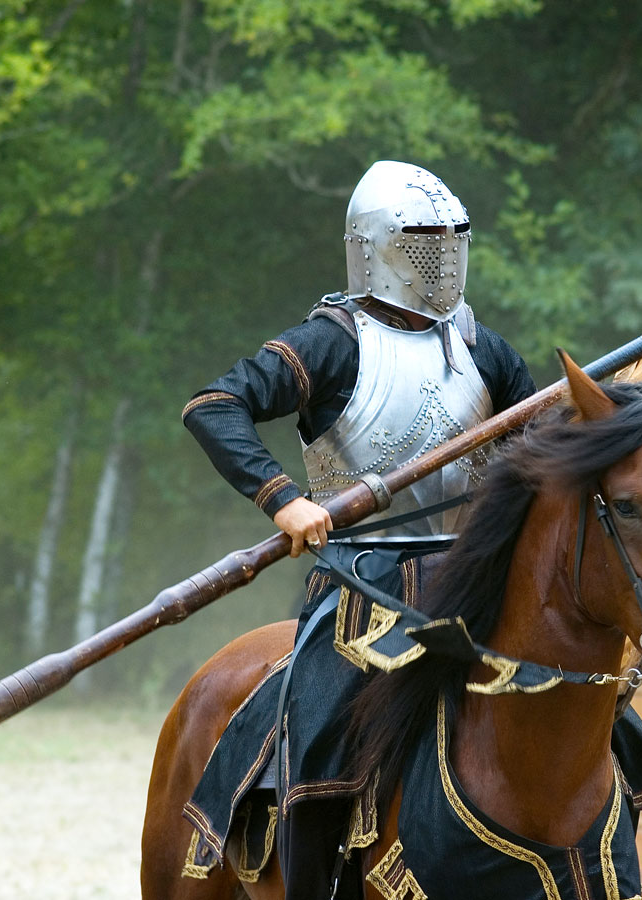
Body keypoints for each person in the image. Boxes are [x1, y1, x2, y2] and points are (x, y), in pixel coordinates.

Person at [182, 160, 536, 897]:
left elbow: (541, 448)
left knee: (585, 707)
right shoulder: (331, 342)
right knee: (319, 737)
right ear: (374, 247)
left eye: (451, 242)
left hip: (472, 578)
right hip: (360, 581)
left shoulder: (483, 349)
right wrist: (284, 499)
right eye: (422, 243)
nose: (441, 260)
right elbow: (213, 405)